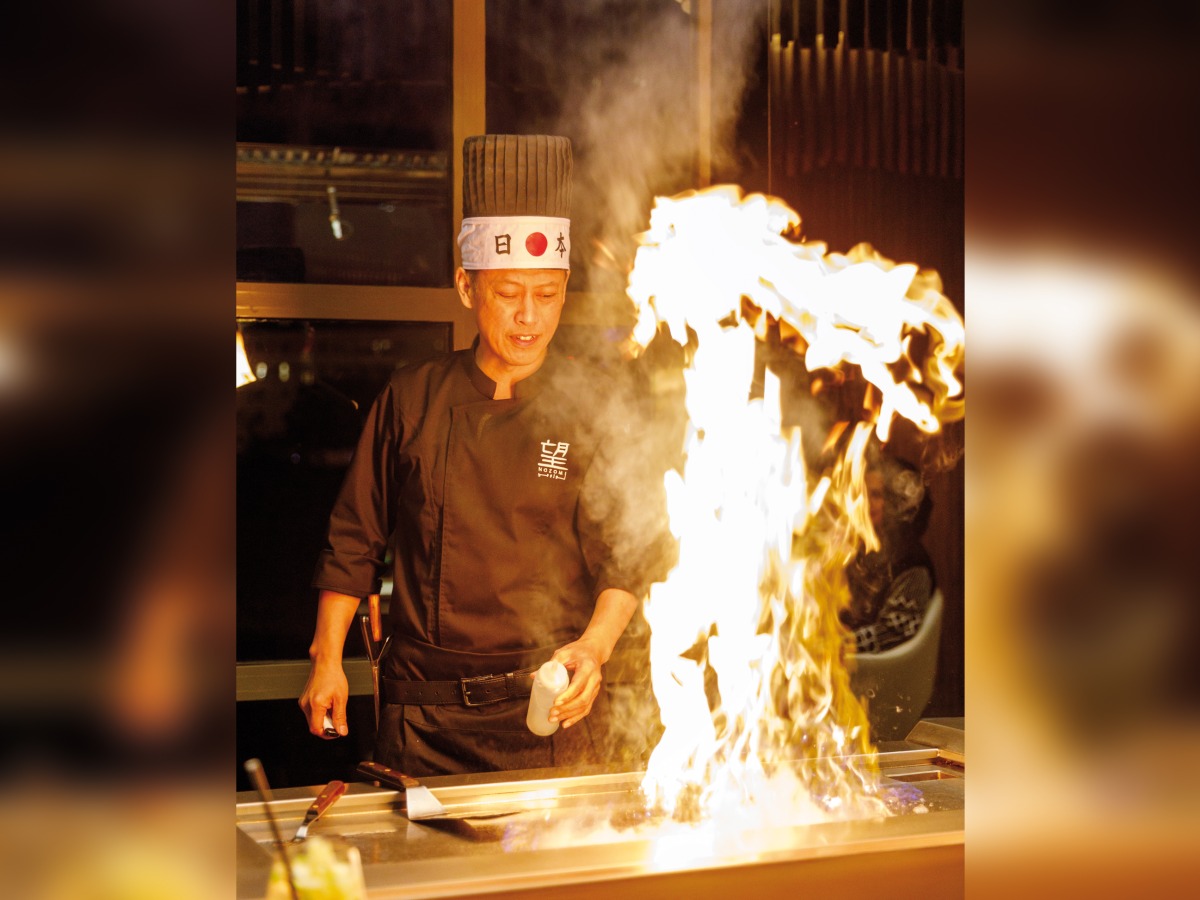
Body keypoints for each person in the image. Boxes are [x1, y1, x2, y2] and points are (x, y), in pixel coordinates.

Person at [298, 134, 663, 776]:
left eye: (546, 295)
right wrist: (327, 657)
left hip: (547, 710)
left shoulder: (590, 407)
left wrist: (595, 649)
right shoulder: (413, 397)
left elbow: (627, 559)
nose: (529, 317)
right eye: (508, 293)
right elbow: (353, 540)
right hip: (422, 715)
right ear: (467, 287)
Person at [842, 453, 936, 653]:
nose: (864, 503)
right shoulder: (861, 551)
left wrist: (842, 643)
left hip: (877, 674)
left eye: (875, 495)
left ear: (895, 504)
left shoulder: (912, 565)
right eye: (862, 493)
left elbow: (892, 633)